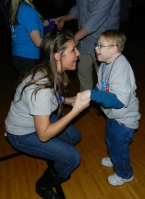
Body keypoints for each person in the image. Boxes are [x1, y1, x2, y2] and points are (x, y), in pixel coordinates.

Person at [5, 29, 90, 198]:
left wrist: (67, 101)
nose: (78, 53)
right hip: (22, 134)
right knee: (73, 158)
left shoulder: (49, 69)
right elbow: (43, 135)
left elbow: (52, 95)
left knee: (74, 137)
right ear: (58, 56)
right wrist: (75, 111)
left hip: (38, 119)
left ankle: (57, 155)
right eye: (73, 50)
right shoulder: (41, 89)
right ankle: (43, 187)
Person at [80, 30, 141, 186]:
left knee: (119, 148)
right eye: (97, 45)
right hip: (113, 116)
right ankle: (115, 157)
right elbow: (101, 88)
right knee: (111, 140)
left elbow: (119, 100)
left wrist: (90, 95)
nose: (96, 48)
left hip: (124, 119)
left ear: (114, 49)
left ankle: (125, 174)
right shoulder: (105, 64)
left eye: (100, 45)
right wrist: (87, 96)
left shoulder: (121, 68)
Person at [55, 0, 121, 91]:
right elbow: (78, 9)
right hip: (85, 42)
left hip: (105, 45)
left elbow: (93, 22)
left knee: (105, 79)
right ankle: (85, 101)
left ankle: (107, 102)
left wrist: (74, 40)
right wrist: (65, 18)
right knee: (83, 74)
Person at [9, 0, 55, 76]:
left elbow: (32, 25)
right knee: (36, 86)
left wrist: (53, 21)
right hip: (28, 58)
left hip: (20, 56)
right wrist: (59, 42)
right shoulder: (27, 10)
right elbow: (38, 42)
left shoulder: (21, 7)